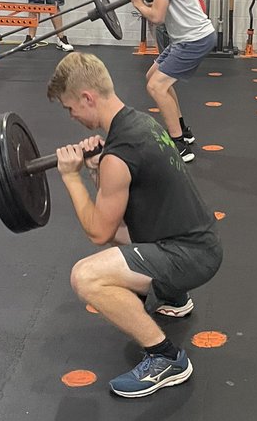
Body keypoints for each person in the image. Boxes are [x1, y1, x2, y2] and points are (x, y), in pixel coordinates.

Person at [48, 52, 223, 397]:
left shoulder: (121, 151)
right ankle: (173, 296)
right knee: (115, 229)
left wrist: (71, 177)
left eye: (70, 108)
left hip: (190, 256)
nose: (72, 116)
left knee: (85, 277)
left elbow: (97, 232)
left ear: (87, 97)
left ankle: (165, 358)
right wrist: (96, 167)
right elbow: (112, 217)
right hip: (197, 240)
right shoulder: (139, 123)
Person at [129, 0, 216, 162]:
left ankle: (179, 145)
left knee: (156, 86)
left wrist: (137, 3)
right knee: (153, 77)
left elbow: (156, 17)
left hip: (193, 39)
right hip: (185, 37)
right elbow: (164, 3)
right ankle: (183, 131)